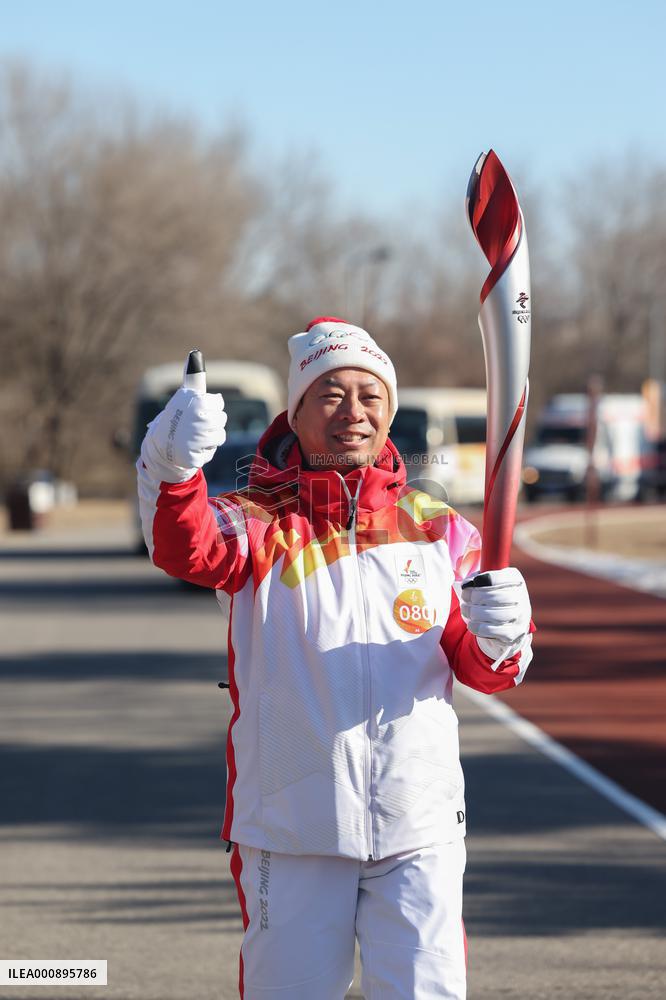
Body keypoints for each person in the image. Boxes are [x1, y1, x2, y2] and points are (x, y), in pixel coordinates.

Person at [137, 317, 534, 1000]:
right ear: (296, 411)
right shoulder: (259, 519)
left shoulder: (439, 530)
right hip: (291, 831)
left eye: (371, 396)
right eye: (332, 395)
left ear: (390, 411)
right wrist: (170, 470)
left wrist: (506, 639)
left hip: (420, 827)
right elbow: (187, 549)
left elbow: (483, 670)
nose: (355, 412)